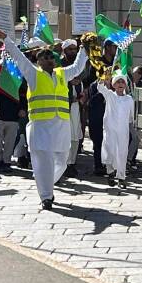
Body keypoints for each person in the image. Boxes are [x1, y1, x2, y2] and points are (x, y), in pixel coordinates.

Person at [0, 28, 88, 210]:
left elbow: (77, 68)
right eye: (44, 58)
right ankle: (46, 196)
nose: (49, 60)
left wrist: (84, 48)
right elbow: (19, 58)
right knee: (43, 160)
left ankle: (47, 183)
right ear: (38, 62)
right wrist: (6, 39)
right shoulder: (33, 74)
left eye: (51, 57)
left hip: (61, 124)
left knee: (62, 158)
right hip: (41, 125)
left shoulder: (62, 74)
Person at [0, 57, 27, 174]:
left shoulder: (20, 82)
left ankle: (6, 162)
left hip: (13, 118)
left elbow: (24, 98)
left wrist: (22, 109)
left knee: (10, 142)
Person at [98, 73, 136, 189]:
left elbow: (131, 116)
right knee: (110, 151)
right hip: (110, 130)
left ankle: (121, 178)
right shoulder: (110, 96)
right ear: (113, 85)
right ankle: (110, 173)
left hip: (123, 131)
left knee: (122, 153)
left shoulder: (129, 99)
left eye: (122, 82)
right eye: (118, 82)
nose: (120, 84)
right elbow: (100, 88)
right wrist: (104, 77)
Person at [85, 38, 117, 176]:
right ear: (108, 47)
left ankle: (111, 164)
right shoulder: (97, 63)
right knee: (98, 137)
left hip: (112, 104)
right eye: (114, 46)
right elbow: (90, 83)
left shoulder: (117, 63)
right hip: (97, 103)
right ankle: (98, 165)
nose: (116, 49)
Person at [59, 39, 83, 179]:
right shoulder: (60, 66)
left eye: (75, 49)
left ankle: (72, 163)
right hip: (64, 106)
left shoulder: (79, 65)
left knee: (75, 136)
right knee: (65, 136)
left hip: (77, 106)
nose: (73, 52)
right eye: (70, 49)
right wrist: (69, 81)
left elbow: (83, 78)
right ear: (64, 50)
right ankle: (64, 164)